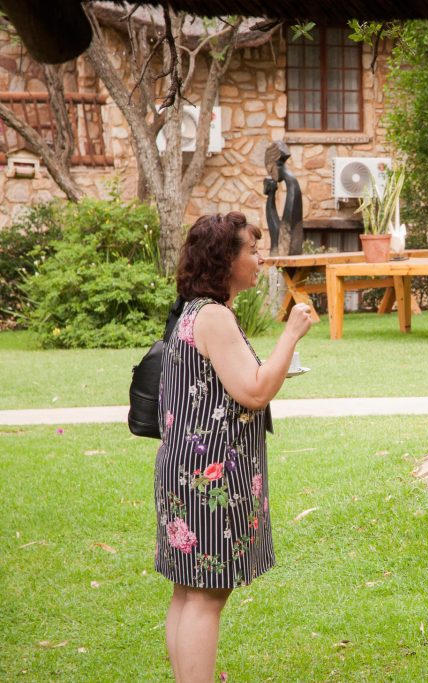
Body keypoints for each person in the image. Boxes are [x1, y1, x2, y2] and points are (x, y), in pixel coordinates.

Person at [155, 212, 314, 683]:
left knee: (189, 590)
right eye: (252, 250)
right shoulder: (214, 316)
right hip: (211, 475)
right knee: (207, 595)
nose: (260, 258)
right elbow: (255, 391)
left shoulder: (193, 311)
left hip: (184, 468)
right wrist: (291, 333)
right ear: (224, 259)